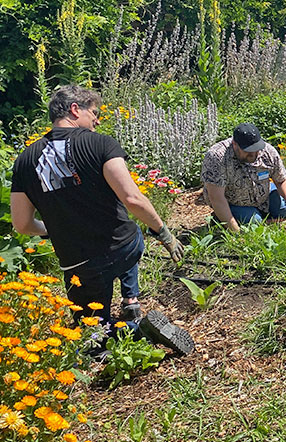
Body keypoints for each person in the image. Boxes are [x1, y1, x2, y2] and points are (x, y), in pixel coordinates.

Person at [10, 85, 194, 355]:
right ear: (75, 110)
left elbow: (22, 224)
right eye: (94, 113)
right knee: (132, 235)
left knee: (92, 337)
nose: (97, 119)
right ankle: (133, 305)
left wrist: (53, 231)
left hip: (80, 263)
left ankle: (135, 329)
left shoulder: (25, 161)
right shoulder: (101, 144)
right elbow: (132, 199)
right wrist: (164, 233)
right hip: (123, 247)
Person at [201, 123, 286, 231]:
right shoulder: (217, 157)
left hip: (264, 193)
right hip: (234, 201)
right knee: (254, 224)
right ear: (235, 144)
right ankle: (220, 217)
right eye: (248, 151)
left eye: (256, 149)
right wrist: (236, 232)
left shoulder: (268, 151)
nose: (253, 154)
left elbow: (281, 179)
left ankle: (261, 216)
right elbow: (217, 198)